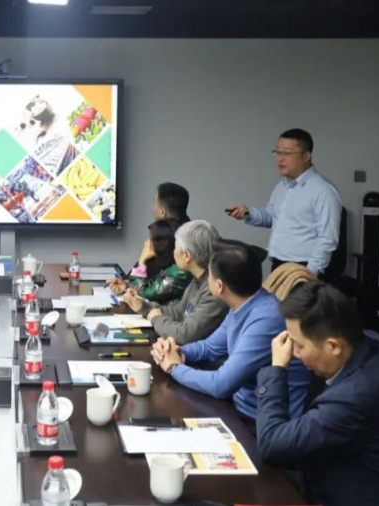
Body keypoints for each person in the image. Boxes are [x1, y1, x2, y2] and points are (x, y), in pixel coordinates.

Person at [257, 282, 379, 506]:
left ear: (333, 346)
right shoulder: (372, 342)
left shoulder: (356, 396)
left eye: (299, 345)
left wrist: (277, 368)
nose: (292, 353)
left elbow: (271, 445)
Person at [151, 240, 312, 422]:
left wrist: (174, 367)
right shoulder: (243, 303)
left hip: (263, 424)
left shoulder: (267, 319)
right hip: (239, 409)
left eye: (209, 275)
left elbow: (221, 384)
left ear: (219, 286)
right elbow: (210, 347)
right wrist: (174, 351)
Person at [226, 129, 342, 275]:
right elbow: (273, 217)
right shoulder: (282, 186)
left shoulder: (323, 191)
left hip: (303, 269)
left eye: (287, 153)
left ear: (306, 156)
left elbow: (328, 239)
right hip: (278, 265)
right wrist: (248, 213)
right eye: (277, 152)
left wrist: (309, 273)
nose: (280, 159)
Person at [123, 220, 227, 344]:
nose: (174, 252)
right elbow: (178, 313)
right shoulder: (198, 280)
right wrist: (144, 307)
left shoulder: (213, 291)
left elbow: (184, 334)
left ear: (187, 256)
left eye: (176, 247)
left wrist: (156, 318)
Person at [109, 219, 192, 304]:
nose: (146, 242)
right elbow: (147, 284)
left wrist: (142, 260)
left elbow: (144, 295)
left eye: (151, 239)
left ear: (162, 244)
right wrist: (126, 285)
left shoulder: (181, 272)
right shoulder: (162, 260)